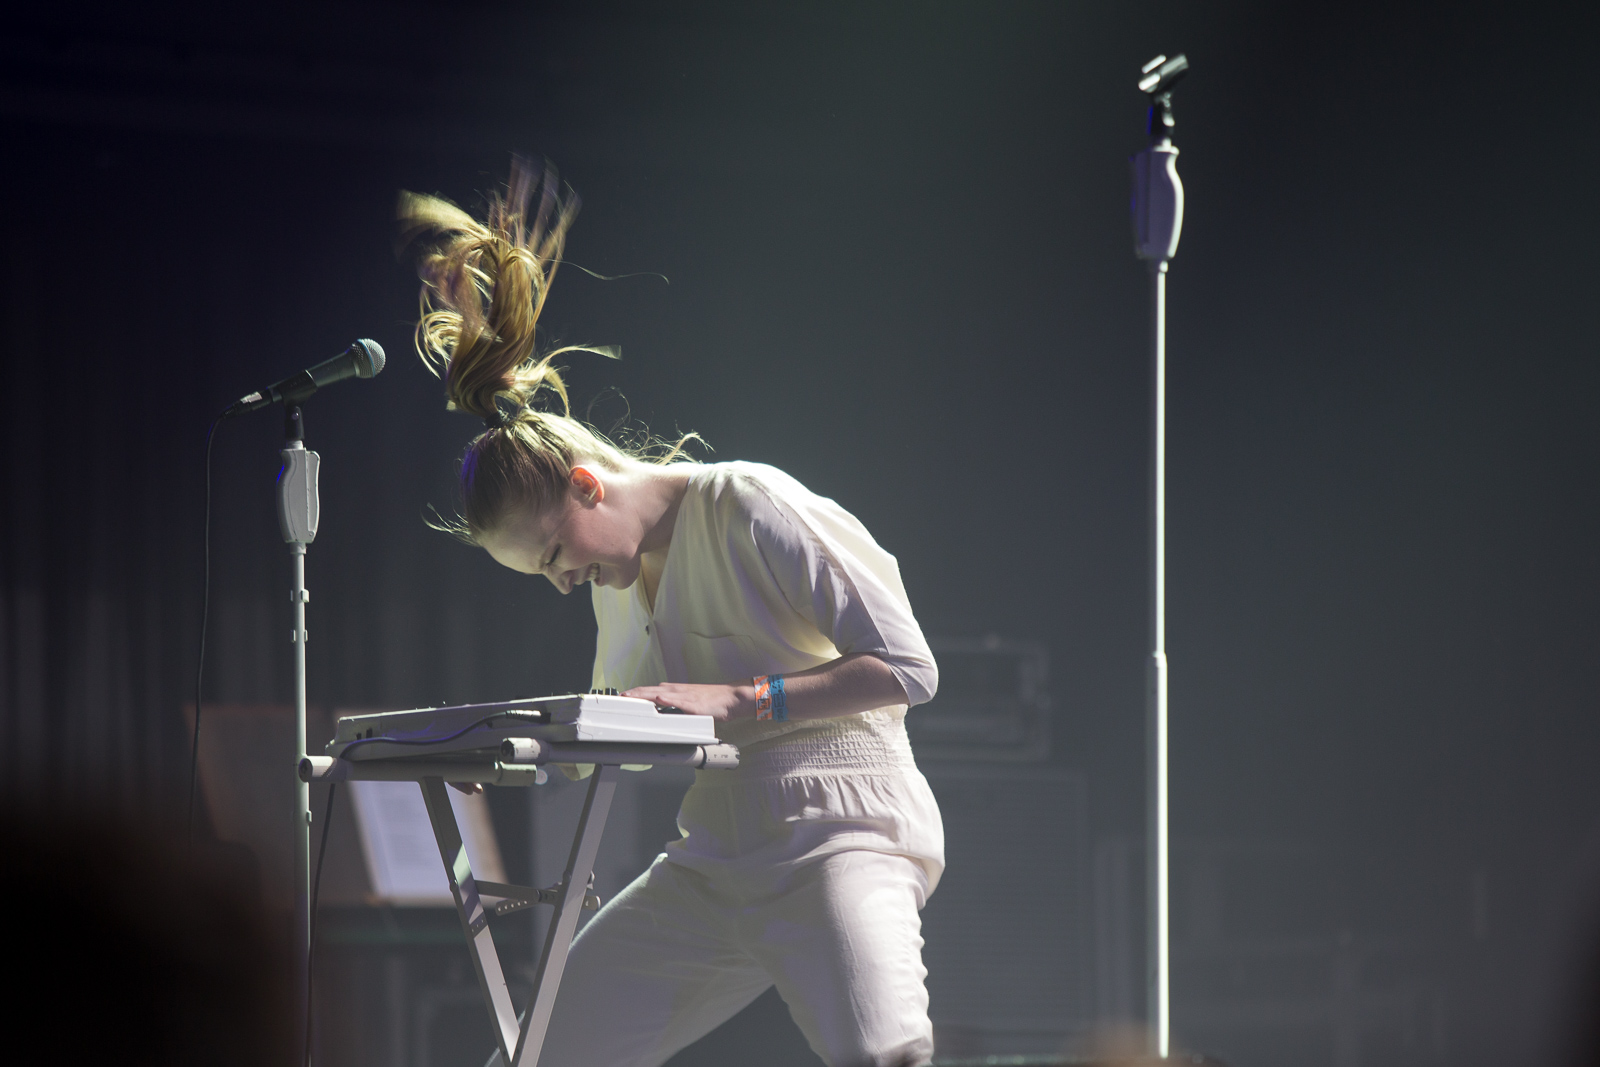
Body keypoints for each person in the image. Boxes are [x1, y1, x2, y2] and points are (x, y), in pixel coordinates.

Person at [399, 160, 944, 1067]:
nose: (562, 580)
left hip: (840, 832)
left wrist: (738, 701)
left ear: (586, 485)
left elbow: (910, 669)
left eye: (552, 556)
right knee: (528, 1059)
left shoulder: (749, 503)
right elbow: (619, 725)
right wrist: (505, 760)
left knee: (882, 1056)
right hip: (715, 857)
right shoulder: (617, 585)